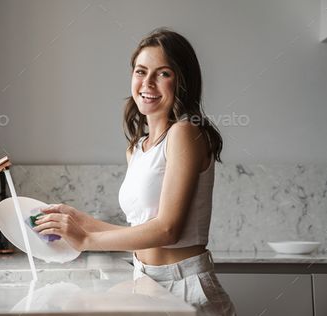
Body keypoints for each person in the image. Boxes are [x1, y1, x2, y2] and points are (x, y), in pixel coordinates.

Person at [33, 27, 237, 316]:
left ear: (182, 81)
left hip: (184, 287)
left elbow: (167, 229)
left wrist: (88, 240)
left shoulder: (185, 132)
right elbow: (141, 230)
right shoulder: (137, 149)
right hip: (146, 282)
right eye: (141, 71)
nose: (148, 83)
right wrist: (81, 221)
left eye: (163, 73)